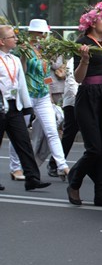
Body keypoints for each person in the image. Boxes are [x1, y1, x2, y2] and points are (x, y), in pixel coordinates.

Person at [67, 1, 102, 206]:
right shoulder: (82, 42)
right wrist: (84, 60)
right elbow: (79, 78)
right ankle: (75, 181)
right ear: (92, 23)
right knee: (95, 149)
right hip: (88, 98)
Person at [8, 19, 70, 182]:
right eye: (39, 33)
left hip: (42, 95)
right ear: (31, 33)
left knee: (52, 131)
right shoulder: (22, 50)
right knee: (18, 133)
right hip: (26, 96)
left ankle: (62, 165)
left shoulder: (46, 51)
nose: (42, 36)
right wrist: (23, 54)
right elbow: (20, 72)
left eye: (44, 33)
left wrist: (49, 92)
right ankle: (15, 168)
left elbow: (46, 75)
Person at [0, 24, 51, 192]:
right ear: (2, 41)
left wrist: (27, 106)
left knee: (23, 142)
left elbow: (21, 84)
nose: (16, 39)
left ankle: (32, 178)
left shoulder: (14, 59)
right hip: (1, 106)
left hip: (15, 107)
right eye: (11, 37)